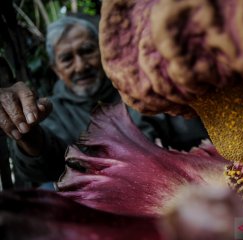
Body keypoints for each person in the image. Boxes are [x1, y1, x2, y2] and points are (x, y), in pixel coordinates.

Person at [0, 16, 208, 187]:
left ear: (104, 53)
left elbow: (191, 136)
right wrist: (28, 135)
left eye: (87, 51)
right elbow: (49, 167)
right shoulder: (53, 111)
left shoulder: (141, 90)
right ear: (56, 69)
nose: (80, 66)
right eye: (67, 59)